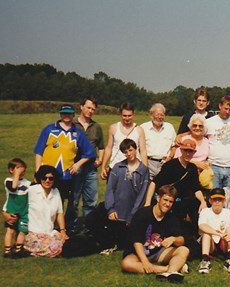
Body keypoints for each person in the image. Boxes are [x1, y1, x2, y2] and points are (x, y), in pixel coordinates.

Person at [33, 104, 96, 219]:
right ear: (60, 114)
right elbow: (39, 152)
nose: (66, 116)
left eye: (69, 113)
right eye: (64, 113)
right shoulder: (49, 129)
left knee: (58, 202)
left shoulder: (77, 133)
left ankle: (57, 228)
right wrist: (38, 171)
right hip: (46, 174)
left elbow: (90, 153)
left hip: (64, 176)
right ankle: (40, 227)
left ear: (73, 115)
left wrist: (77, 164)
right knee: (41, 200)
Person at [121, 185, 189, 283]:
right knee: (127, 264)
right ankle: (169, 270)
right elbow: (137, 241)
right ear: (158, 198)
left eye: (171, 202)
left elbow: (181, 240)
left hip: (158, 251)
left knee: (183, 250)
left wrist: (174, 239)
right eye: (165, 200)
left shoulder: (171, 217)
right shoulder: (143, 214)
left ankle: (169, 273)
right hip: (138, 252)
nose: (167, 204)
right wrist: (145, 262)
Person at [144, 138, 207, 238]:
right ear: (181, 150)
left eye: (190, 151)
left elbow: (196, 188)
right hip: (164, 201)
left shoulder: (192, 168)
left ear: (194, 152)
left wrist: (203, 201)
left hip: (178, 204)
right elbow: (154, 183)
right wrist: (147, 203)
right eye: (185, 150)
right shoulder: (170, 165)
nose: (187, 153)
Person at [100, 139, 150, 255]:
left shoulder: (143, 170)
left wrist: (133, 214)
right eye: (125, 152)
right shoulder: (118, 167)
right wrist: (110, 209)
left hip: (133, 211)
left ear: (136, 149)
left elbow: (142, 194)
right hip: (117, 211)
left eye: (131, 150)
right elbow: (110, 189)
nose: (129, 154)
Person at [69, 96, 105, 234]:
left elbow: (101, 146)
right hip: (74, 168)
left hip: (90, 169)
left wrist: (100, 160)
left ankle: (88, 227)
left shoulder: (96, 127)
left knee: (91, 201)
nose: (90, 111)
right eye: (88, 107)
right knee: (74, 201)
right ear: (81, 107)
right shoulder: (71, 124)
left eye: (93, 109)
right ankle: (70, 227)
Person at [23, 165, 69, 257]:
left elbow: (59, 213)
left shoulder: (55, 192)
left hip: (49, 232)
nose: (47, 181)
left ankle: (37, 251)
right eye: (44, 178)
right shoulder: (31, 190)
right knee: (56, 248)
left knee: (68, 243)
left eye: (51, 178)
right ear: (40, 178)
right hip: (33, 233)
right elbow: (15, 200)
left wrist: (63, 231)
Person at [197, 188, 230, 274]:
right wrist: (216, 233)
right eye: (215, 199)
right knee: (206, 234)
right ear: (210, 200)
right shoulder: (205, 211)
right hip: (210, 244)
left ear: (224, 201)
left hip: (224, 242)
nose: (217, 202)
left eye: (220, 199)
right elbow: (202, 226)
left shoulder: (228, 212)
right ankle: (205, 261)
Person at [101, 102, 148, 180]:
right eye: (124, 115)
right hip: (116, 166)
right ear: (120, 114)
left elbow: (143, 151)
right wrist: (103, 166)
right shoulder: (113, 128)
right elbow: (109, 148)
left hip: (134, 168)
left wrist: (145, 169)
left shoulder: (139, 130)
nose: (127, 118)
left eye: (129, 115)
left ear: (133, 114)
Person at [2, 158, 30, 258]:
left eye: (23, 170)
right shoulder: (8, 181)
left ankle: (19, 249)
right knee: (11, 230)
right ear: (11, 170)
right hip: (12, 209)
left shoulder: (27, 183)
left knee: (22, 230)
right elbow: (13, 188)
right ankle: (7, 250)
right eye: (18, 168)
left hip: (24, 211)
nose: (21, 171)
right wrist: (16, 175)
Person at [140, 103, 176, 179]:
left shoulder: (169, 127)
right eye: (157, 114)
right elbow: (137, 147)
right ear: (151, 115)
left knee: (164, 189)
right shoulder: (143, 128)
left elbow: (174, 146)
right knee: (147, 189)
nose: (159, 117)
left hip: (165, 164)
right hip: (148, 163)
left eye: (162, 115)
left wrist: (169, 158)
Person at [173, 114, 211, 181]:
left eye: (200, 126)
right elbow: (177, 157)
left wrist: (206, 163)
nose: (197, 128)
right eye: (195, 125)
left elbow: (210, 157)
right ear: (190, 127)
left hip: (202, 175)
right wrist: (196, 164)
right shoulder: (184, 139)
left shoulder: (207, 141)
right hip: (185, 173)